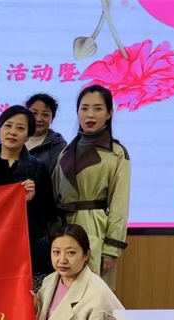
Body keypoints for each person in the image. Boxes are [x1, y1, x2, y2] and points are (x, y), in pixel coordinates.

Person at [0, 105, 57, 289]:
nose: (13, 132)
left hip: (26, 248)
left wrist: (32, 201)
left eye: (20, 128)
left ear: (28, 135)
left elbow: (49, 213)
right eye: (8, 125)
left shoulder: (37, 168)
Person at [53, 85, 131, 291]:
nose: (90, 115)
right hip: (63, 231)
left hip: (95, 231)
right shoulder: (65, 152)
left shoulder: (116, 153)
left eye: (98, 108)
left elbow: (120, 203)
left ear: (109, 113)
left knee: (93, 295)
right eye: (84, 108)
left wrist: (112, 248)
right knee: (63, 294)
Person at [25, 93, 68, 174]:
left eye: (45, 115)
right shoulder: (15, 140)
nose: (38, 119)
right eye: (34, 113)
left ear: (52, 119)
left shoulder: (59, 149)